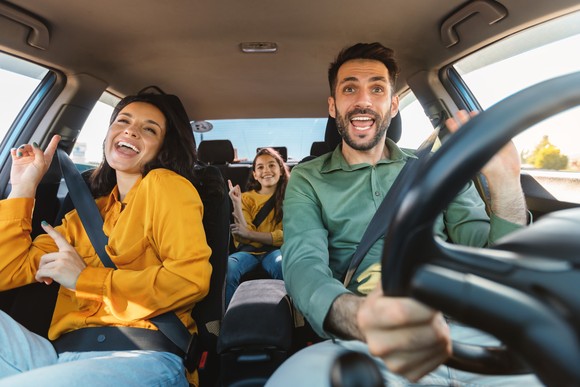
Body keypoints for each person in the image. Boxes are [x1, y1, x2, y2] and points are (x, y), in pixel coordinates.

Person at [268, 43, 541, 385]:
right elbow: (303, 266)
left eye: (378, 89)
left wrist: (505, 185)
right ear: (333, 105)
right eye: (349, 88)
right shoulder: (308, 178)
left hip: (469, 332)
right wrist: (363, 317)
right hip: (368, 340)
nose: (363, 101)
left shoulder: (438, 166)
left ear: (394, 104)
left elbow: (491, 262)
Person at [0, 93, 212, 387]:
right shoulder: (83, 217)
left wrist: (84, 279)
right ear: (110, 133)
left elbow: (190, 279)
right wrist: (23, 186)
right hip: (60, 355)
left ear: (164, 148)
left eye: (149, 129)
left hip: (140, 355)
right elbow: (6, 271)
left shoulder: (166, 185)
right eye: (123, 121)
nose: (130, 130)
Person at [225, 147, 290, 307]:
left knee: (283, 265)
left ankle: (292, 318)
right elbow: (241, 236)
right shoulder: (246, 198)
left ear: (281, 170)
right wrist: (237, 204)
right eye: (260, 167)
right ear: (254, 174)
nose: (266, 170)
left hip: (275, 252)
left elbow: (288, 235)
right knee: (229, 267)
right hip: (248, 253)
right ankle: (227, 319)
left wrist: (250, 234)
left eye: (271, 165)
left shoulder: (291, 197)